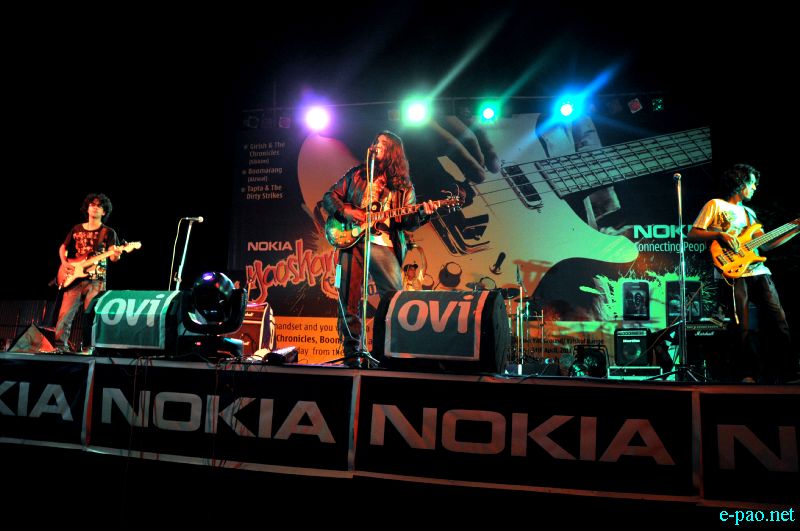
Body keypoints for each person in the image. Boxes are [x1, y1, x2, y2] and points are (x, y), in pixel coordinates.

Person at [322, 131, 435, 367]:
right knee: (348, 299)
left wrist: (423, 214)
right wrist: (347, 211)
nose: (376, 145)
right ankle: (352, 354)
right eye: (375, 142)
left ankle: (388, 353)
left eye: (382, 144)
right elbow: (330, 197)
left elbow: (407, 222)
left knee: (394, 299)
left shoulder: (404, 187)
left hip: (382, 244)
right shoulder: (358, 174)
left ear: (393, 151)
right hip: (352, 240)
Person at [688, 164, 799, 383]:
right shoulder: (715, 205)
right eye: (752, 182)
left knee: (779, 320)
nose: (755, 187)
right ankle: (747, 374)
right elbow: (693, 234)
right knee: (742, 326)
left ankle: (790, 372)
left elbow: (765, 244)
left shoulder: (750, 213)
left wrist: (794, 230)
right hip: (733, 272)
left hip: (759, 270)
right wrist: (719, 235)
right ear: (740, 183)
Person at [54, 193, 123, 352]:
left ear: (104, 212)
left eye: (99, 206)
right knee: (64, 316)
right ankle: (60, 348)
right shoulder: (76, 228)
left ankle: (88, 348)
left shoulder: (108, 232)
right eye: (92, 205)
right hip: (74, 279)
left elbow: (113, 257)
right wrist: (64, 263)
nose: (95, 208)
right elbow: (63, 247)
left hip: (97, 281)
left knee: (91, 316)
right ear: (87, 208)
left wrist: (117, 254)